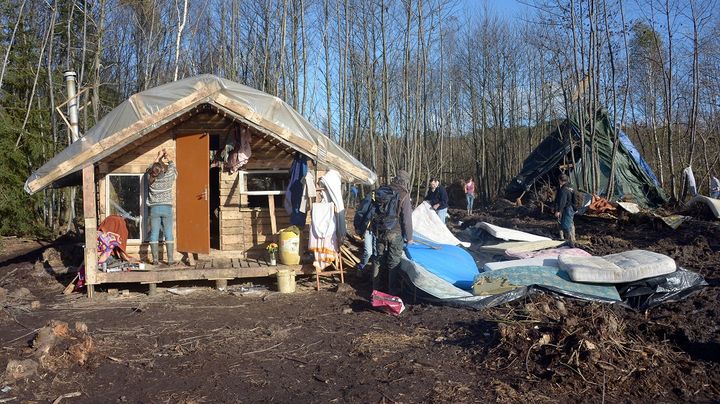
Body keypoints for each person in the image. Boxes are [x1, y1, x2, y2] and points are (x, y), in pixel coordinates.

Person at [374, 170, 414, 294]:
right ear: (405, 181)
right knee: (394, 261)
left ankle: (376, 288)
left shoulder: (383, 190)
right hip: (395, 232)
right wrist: (410, 237)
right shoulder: (404, 195)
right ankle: (392, 291)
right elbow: (407, 218)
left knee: (379, 259)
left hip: (380, 231)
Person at [146, 148, 177, 265]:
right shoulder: (168, 177)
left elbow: (149, 169)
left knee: (154, 233)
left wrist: (157, 157)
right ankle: (170, 260)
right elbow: (173, 167)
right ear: (162, 170)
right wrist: (167, 156)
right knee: (168, 232)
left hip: (154, 209)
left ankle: (155, 260)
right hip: (166, 208)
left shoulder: (151, 179)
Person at [554, 173, 576, 248]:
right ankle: (572, 239)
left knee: (565, 225)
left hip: (566, 208)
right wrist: (575, 207)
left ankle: (569, 242)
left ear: (560, 180)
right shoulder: (571, 187)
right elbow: (575, 198)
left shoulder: (563, 189)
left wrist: (558, 211)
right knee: (570, 223)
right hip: (571, 207)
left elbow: (562, 201)